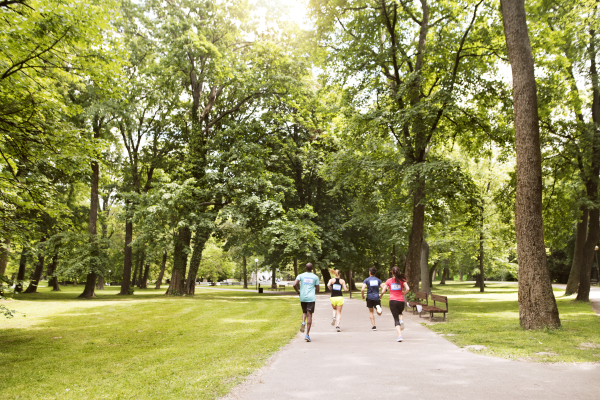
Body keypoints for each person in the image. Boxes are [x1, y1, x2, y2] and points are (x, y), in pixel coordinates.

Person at [380, 266, 409, 342]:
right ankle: (401, 320)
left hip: (392, 301)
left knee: (396, 319)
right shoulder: (402, 280)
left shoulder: (389, 281)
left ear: (392, 272)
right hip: (401, 300)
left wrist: (381, 295)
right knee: (400, 313)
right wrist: (403, 292)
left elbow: (383, 290)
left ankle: (399, 336)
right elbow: (408, 288)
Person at [293, 263, 320, 342]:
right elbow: (318, 289)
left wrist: (298, 292)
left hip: (303, 297)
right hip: (311, 298)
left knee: (304, 312)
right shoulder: (315, 277)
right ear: (312, 268)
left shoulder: (300, 275)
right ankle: (307, 334)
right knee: (310, 315)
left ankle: (303, 322)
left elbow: (294, 284)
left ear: (305, 268)